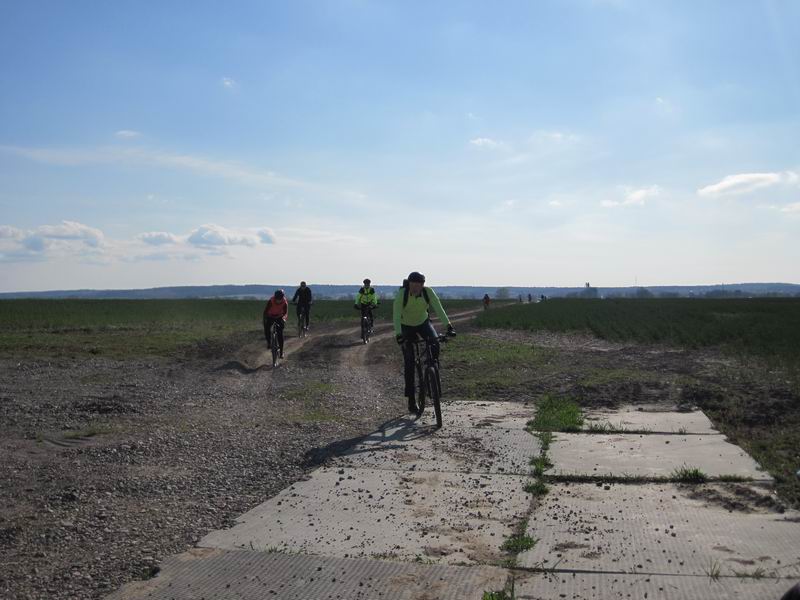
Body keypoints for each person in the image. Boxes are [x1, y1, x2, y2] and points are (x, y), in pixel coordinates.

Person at [394, 271, 455, 414]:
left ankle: (432, 371)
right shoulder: (402, 295)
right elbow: (396, 315)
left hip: (423, 322)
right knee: (409, 361)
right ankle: (411, 400)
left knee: (435, 343)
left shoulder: (428, 292)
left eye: (418, 285)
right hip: (406, 326)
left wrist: (449, 326)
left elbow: (438, 308)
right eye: (412, 285)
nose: (415, 288)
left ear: (422, 285)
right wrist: (399, 334)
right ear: (408, 284)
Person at [263, 289, 288, 358]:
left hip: (279, 316)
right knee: (267, 329)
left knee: (280, 333)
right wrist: (265, 319)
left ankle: (281, 352)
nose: (278, 300)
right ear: (275, 297)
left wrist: (283, 319)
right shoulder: (271, 301)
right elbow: (265, 311)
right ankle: (269, 343)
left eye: (280, 299)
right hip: (270, 316)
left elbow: (285, 312)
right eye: (277, 299)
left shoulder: (284, 302)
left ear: (282, 297)